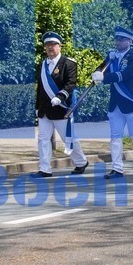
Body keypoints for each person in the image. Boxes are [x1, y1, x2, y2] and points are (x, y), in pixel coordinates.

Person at [92, 26, 133, 178]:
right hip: (116, 104)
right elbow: (101, 69)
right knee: (115, 137)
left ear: (129, 41)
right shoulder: (112, 57)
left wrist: (104, 78)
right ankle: (117, 168)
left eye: (122, 39)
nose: (118, 42)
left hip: (132, 102)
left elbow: (125, 75)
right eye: (117, 39)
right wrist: (97, 71)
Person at [34, 32, 88, 177]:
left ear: (60, 46)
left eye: (53, 44)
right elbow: (40, 88)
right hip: (45, 110)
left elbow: (71, 83)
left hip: (61, 108)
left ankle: (81, 162)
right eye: (47, 45)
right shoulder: (43, 64)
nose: (50, 47)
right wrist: (37, 106)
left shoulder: (69, 63)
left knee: (67, 138)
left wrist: (60, 96)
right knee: (43, 139)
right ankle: (45, 169)